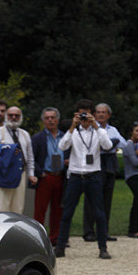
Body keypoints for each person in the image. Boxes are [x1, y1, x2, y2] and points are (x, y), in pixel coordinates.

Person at [54, 100, 113, 259]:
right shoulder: (73, 131)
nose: (85, 117)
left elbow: (107, 146)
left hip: (93, 176)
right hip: (75, 176)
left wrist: (96, 126)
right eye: (82, 114)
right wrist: (72, 126)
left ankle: (102, 248)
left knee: (99, 214)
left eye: (87, 114)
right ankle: (60, 247)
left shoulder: (97, 131)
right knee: (67, 213)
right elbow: (62, 146)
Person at [82, 103, 123, 242]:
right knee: (91, 198)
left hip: (109, 164)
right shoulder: (88, 129)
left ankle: (103, 232)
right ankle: (88, 231)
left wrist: (108, 145)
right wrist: (109, 145)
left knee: (106, 199)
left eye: (103, 112)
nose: (100, 115)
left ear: (108, 115)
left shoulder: (113, 130)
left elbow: (121, 143)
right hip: (94, 164)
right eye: (98, 112)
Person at [0, 105, 33, 214]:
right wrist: (5, 150)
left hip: (20, 174)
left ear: (21, 117)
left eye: (17, 115)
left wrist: (31, 174)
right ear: (6, 116)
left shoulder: (25, 134)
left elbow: (29, 157)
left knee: (17, 209)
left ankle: (13, 231)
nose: (13, 117)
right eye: (11, 115)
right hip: (1, 174)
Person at [30, 107, 67, 246]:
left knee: (58, 210)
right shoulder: (37, 138)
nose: (50, 120)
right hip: (45, 177)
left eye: (53, 117)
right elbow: (31, 158)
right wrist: (41, 173)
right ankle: (38, 239)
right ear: (43, 121)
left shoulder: (65, 136)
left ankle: (54, 238)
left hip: (61, 176)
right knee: (40, 210)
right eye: (47, 118)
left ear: (57, 120)